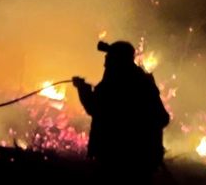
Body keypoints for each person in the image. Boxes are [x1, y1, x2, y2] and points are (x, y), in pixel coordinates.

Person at [73, 40, 170, 182]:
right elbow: (162, 118)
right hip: (143, 159)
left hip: (115, 156)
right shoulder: (142, 81)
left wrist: (83, 89)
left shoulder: (115, 82)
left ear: (117, 60)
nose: (104, 63)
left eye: (108, 58)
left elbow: (95, 108)